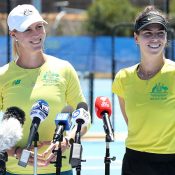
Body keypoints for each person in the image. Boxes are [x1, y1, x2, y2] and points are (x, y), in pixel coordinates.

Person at [0, 4, 90, 175]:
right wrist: (15, 152)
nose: (36, 34)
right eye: (27, 29)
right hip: (14, 171)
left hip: (59, 169)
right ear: (13, 34)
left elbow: (84, 118)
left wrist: (67, 141)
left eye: (39, 27)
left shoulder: (64, 69)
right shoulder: (2, 76)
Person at [112, 5, 175, 175]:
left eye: (160, 33)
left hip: (170, 162)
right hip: (135, 161)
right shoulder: (123, 78)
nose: (155, 38)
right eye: (147, 33)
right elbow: (132, 124)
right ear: (136, 38)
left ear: (166, 37)